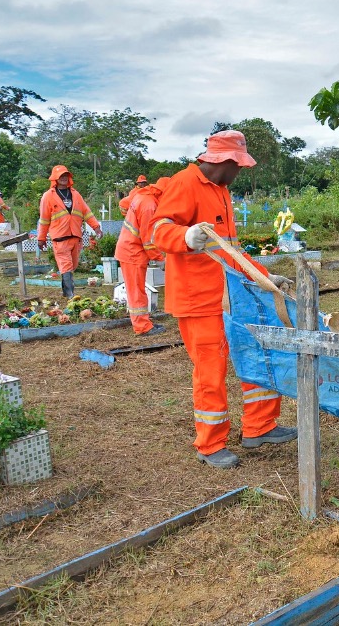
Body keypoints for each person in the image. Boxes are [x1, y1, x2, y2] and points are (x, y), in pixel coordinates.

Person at [152, 130, 295, 469]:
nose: (240, 172)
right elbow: (157, 231)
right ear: (224, 162)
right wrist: (185, 235)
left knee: (255, 356)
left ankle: (260, 426)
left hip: (231, 296)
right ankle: (211, 443)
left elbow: (230, 250)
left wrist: (262, 275)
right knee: (210, 372)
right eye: (239, 166)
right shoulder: (185, 183)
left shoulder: (221, 191)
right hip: (197, 300)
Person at [115, 177, 172, 335]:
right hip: (132, 251)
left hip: (130, 249)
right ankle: (142, 327)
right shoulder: (149, 205)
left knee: (136, 289)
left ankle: (142, 323)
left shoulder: (143, 196)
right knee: (137, 291)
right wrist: (160, 260)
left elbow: (124, 205)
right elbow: (148, 240)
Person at [37, 166, 102, 299]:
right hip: (59, 238)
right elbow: (44, 219)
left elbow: (86, 212)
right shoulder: (48, 196)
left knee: (71, 265)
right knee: (66, 265)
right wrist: (41, 238)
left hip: (75, 237)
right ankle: (70, 295)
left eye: (66, 175)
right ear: (55, 178)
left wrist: (96, 227)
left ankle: (66, 293)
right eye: (61, 176)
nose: (64, 178)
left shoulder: (75, 194)